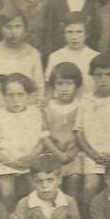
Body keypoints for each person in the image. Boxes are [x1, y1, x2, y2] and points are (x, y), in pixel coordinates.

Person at [75, 54, 110, 212]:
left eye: (108, 75)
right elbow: (79, 132)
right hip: (92, 155)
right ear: (92, 76)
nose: (103, 79)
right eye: (98, 75)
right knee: (89, 187)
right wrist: (92, 153)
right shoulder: (85, 100)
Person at [0, 73, 45, 211]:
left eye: (20, 95)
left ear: (28, 96)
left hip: (31, 162)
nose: (15, 100)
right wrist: (8, 161)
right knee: (7, 193)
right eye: (10, 95)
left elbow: (42, 141)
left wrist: (32, 157)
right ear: (3, 96)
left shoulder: (35, 113)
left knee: (35, 190)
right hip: (6, 163)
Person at [0, 10, 45, 110]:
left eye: (18, 27)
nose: (13, 32)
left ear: (25, 29)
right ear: (0, 29)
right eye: (8, 27)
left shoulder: (33, 54)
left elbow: (39, 86)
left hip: (26, 110)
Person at [42, 62, 83, 198]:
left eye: (69, 83)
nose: (64, 89)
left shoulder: (81, 106)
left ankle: (72, 209)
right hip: (52, 154)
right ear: (53, 86)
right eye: (60, 84)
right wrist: (58, 154)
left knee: (74, 181)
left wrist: (72, 153)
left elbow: (83, 134)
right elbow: (44, 135)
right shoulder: (47, 107)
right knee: (53, 188)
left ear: (77, 85)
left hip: (74, 155)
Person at [44, 12, 100, 96]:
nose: (74, 37)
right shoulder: (55, 57)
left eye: (79, 32)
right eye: (69, 32)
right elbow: (50, 89)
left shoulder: (95, 57)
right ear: (63, 34)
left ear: (87, 34)